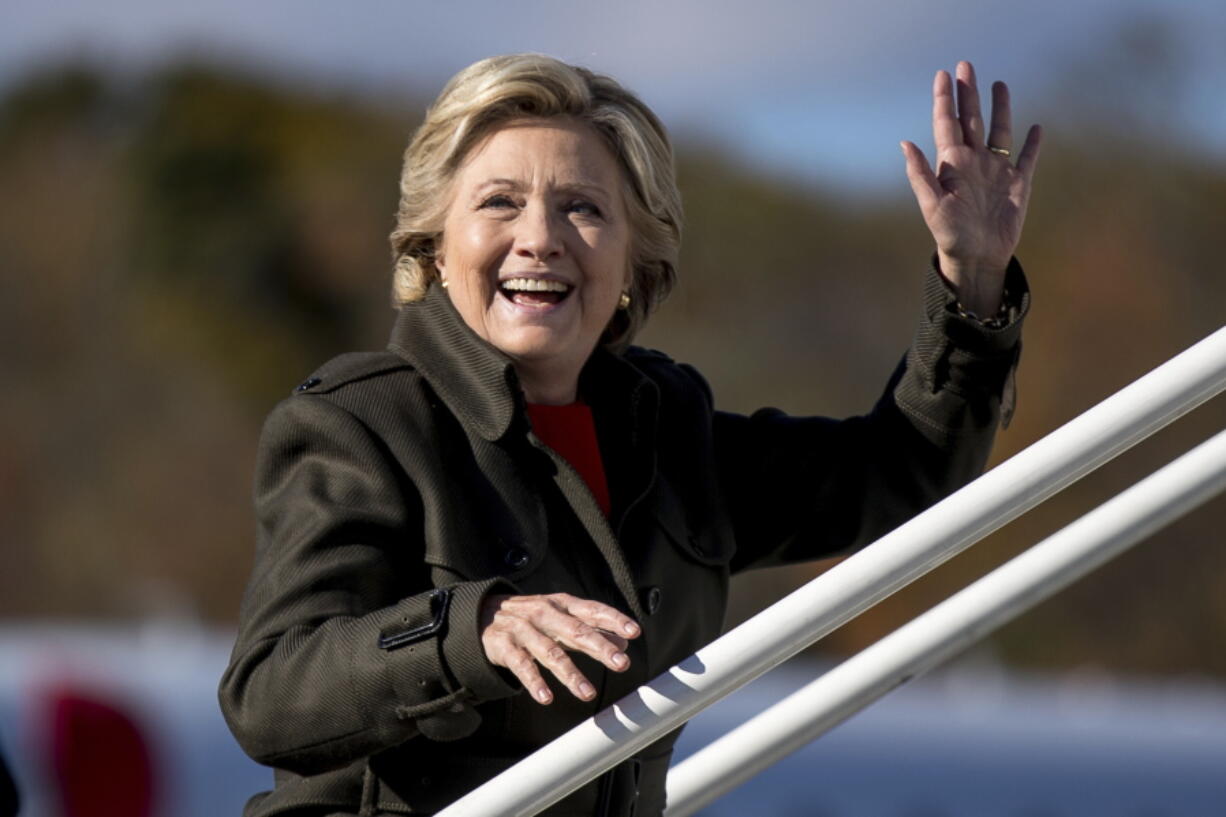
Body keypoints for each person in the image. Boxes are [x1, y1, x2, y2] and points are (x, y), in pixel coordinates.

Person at [219, 54, 1040, 816]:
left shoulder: (671, 434)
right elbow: (268, 694)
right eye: (499, 201)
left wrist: (972, 285)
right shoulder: (358, 424)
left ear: (632, 264)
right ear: (435, 249)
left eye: (582, 207)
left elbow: (901, 474)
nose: (539, 236)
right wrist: (468, 631)